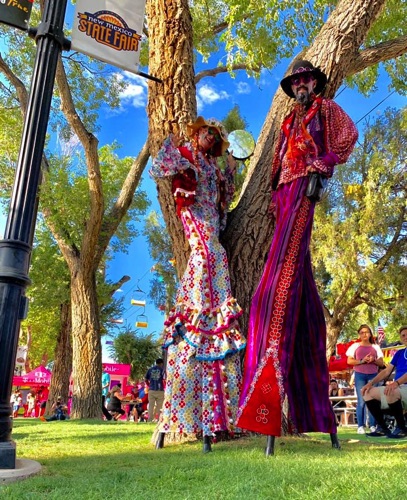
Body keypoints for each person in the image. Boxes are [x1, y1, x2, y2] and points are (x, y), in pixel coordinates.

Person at [236, 60, 358, 452]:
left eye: (307, 80)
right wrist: (273, 193)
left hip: (306, 187)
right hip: (284, 193)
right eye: (297, 82)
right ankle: (315, 415)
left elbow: (347, 135)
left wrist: (325, 164)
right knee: (296, 294)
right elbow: (276, 161)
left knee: (272, 293)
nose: (303, 86)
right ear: (292, 88)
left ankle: (266, 401)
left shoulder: (325, 109)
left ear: (314, 83)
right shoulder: (288, 121)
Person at [150, 116, 246, 452]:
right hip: (195, 218)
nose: (209, 136)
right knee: (206, 255)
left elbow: (228, 194)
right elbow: (159, 167)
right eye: (206, 131)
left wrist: (232, 167)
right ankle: (200, 301)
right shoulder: (187, 154)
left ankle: (212, 302)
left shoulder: (216, 168)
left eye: (214, 135)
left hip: (213, 220)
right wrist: (173, 141)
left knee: (216, 255)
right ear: (197, 133)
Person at [361, 326, 407, 438]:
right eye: (403, 335)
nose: (406, 337)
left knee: (391, 391)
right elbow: (386, 371)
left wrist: (396, 383)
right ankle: (383, 428)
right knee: (367, 392)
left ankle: (402, 428)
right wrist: (370, 383)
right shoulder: (400, 353)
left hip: (402, 387)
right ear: (400, 338)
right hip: (398, 388)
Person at [346, 324, 385, 434]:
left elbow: (381, 363)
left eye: (367, 332)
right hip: (360, 375)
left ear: (370, 334)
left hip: (373, 375)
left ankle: (372, 425)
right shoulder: (355, 346)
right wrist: (362, 361)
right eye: (362, 332)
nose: (364, 334)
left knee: (372, 400)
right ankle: (360, 426)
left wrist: (373, 360)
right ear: (359, 334)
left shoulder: (375, 347)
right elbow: (349, 361)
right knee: (361, 401)